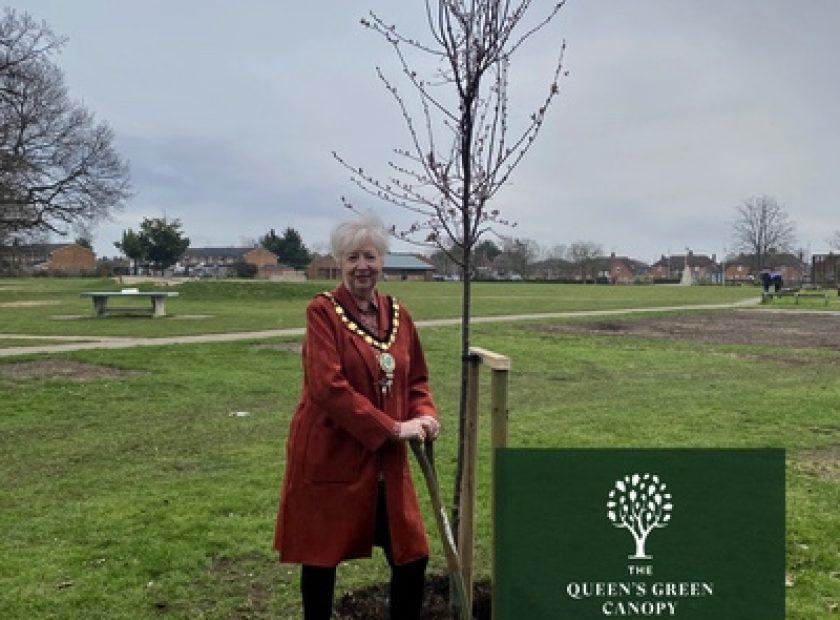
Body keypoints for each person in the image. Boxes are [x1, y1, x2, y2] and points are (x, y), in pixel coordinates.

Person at [273, 212, 440, 620]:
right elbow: (327, 388)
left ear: (383, 260)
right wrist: (392, 427)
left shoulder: (399, 315)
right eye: (352, 258)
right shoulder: (323, 313)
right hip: (332, 454)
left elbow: (416, 379)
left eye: (369, 256)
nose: (362, 266)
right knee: (321, 558)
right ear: (339, 263)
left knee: (411, 555)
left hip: (387, 460)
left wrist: (425, 415)